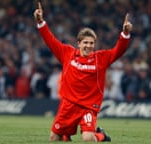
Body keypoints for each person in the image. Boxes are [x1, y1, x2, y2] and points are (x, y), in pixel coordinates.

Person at [33, 2, 132, 142]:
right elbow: (50, 40)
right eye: (85, 42)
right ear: (78, 43)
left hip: (88, 107)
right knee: (54, 138)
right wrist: (40, 22)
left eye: (91, 43)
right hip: (68, 105)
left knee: (87, 138)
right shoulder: (67, 53)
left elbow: (118, 50)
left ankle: (101, 136)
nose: (88, 46)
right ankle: (66, 135)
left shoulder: (101, 58)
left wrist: (125, 34)